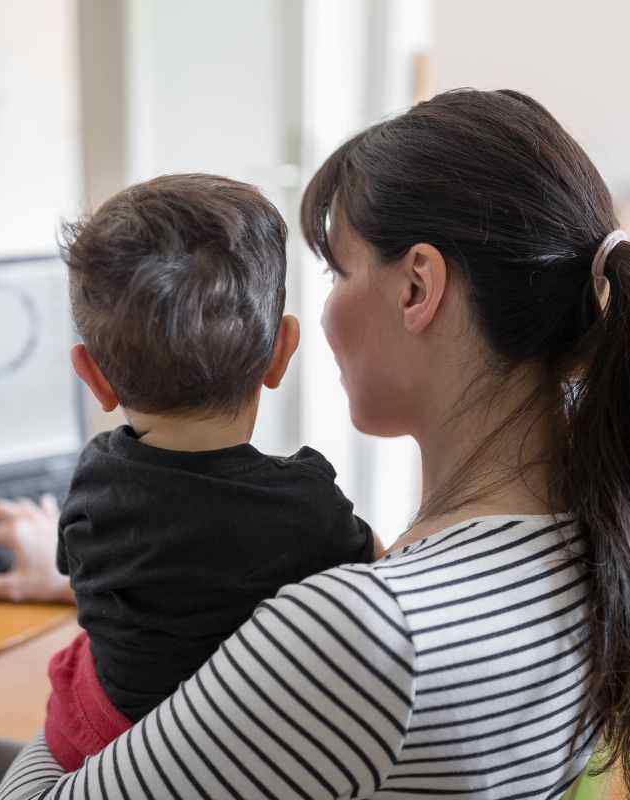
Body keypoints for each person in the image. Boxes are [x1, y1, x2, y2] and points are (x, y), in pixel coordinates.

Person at [0, 88, 630, 800]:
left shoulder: (369, 634)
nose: (324, 311)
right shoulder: (596, 535)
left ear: (419, 287)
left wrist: (98, 612)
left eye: (336, 268)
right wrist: (78, 576)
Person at [43, 173, 375, 772]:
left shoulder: (93, 481)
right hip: (216, 759)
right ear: (281, 352)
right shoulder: (307, 510)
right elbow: (383, 569)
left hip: (87, 735)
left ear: (92, 377)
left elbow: (83, 579)